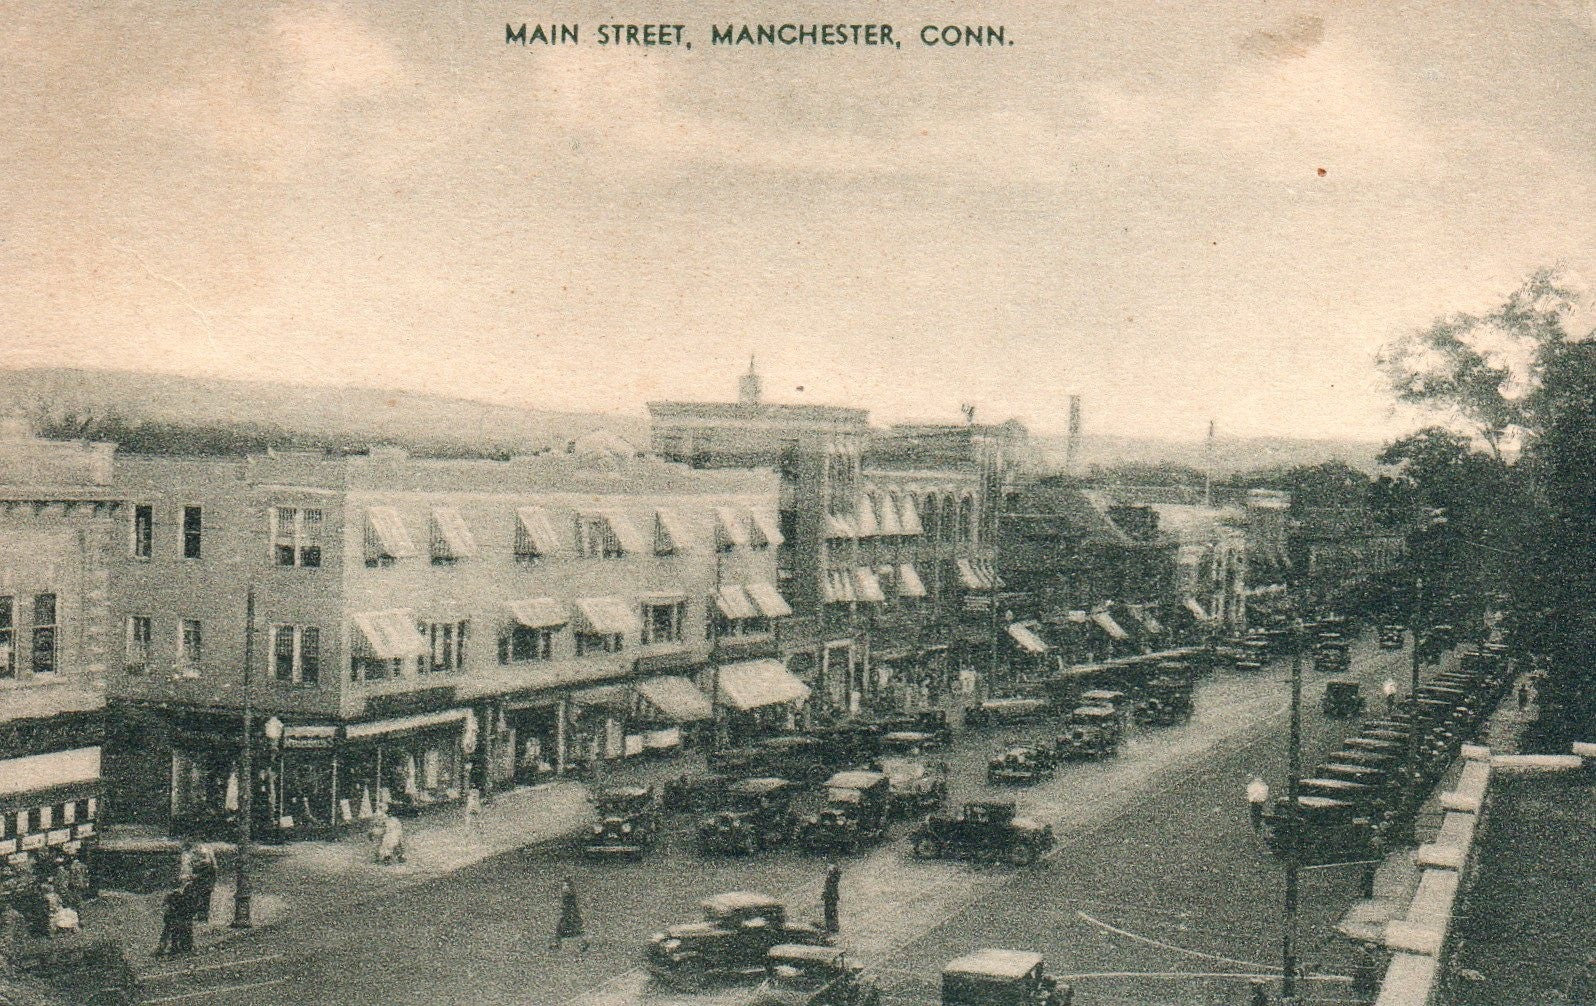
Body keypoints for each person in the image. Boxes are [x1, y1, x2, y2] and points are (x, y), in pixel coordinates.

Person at [550, 878, 589, 953]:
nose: (565, 889)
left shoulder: (572, 904)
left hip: (570, 909)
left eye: (568, 886)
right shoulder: (566, 904)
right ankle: (557, 942)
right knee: (563, 924)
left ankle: (582, 941)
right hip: (567, 910)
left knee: (574, 922)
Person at [189, 843, 218, 923]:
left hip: (205, 882)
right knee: (199, 897)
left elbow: (211, 870)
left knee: (203, 898)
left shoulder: (207, 863)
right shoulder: (206, 859)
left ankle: (203, 916)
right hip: (202, 882)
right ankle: (201, 915)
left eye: (203, 856)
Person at [822, 861, 842, 935]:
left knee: (830, 911)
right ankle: (831, 926)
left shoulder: (832, 878)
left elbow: (830, 888)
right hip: (830, 896)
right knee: (829, 911)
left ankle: (832, 927)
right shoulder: (831, 878)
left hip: (831, 896)